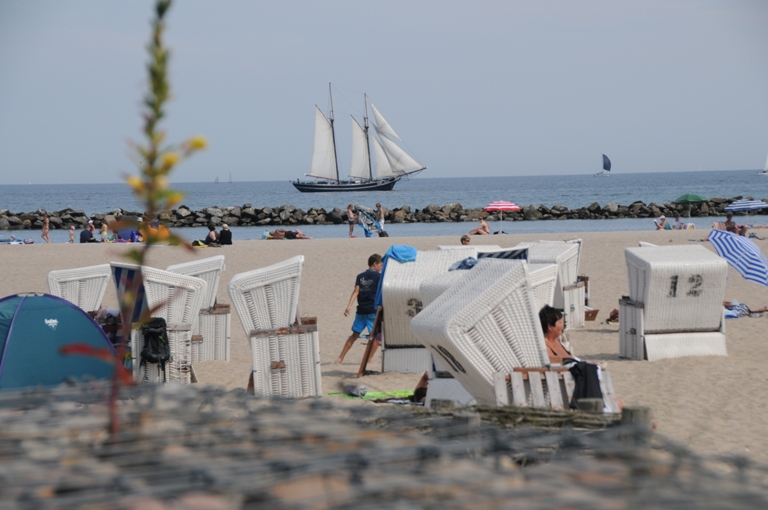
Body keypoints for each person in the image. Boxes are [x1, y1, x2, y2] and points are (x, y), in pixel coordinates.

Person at [337, 253, 383, 364]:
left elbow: (356, 292)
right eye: (381, 265)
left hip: (361, 310)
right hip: (372, 311)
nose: (381, 267)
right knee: (377, 337)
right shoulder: (379, 277)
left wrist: (349, 306)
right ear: (375, 264)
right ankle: (369, 359)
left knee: (354, 335)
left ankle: (340, 358)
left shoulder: (360, 276)